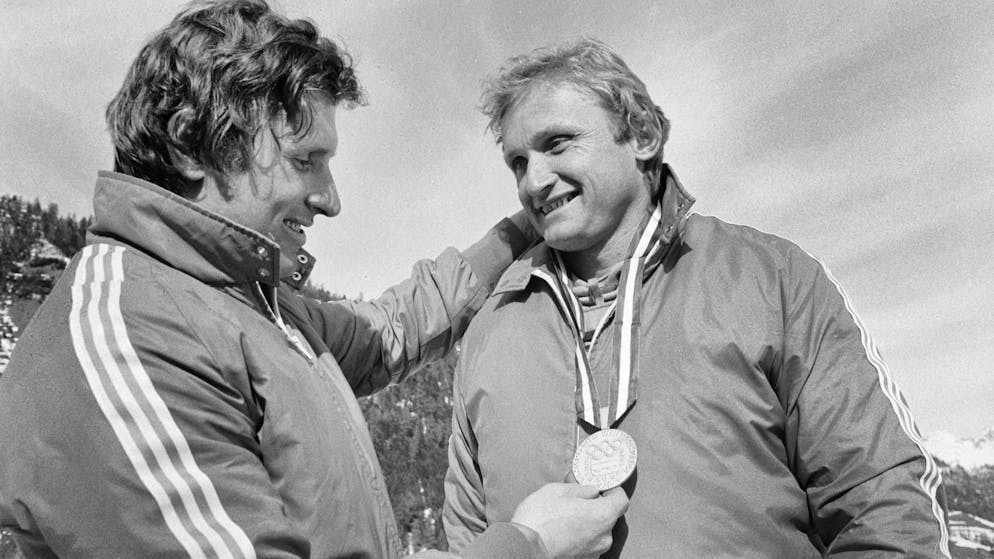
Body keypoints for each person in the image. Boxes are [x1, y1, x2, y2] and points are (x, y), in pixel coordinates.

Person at [0, 4, 628, 558]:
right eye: (307, 161)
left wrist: (529, 222)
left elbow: (393, 329)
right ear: (194, 145)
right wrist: (529, 547)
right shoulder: (124, 335)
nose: (330, 201)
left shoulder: (254, 310)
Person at [443, 38, 950, 557]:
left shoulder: (772, 279)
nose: (535, 181)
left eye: (557, 144)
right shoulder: (491, 328)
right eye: (518, 162)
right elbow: (467, 535)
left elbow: (885, 506)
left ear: (640, 134)